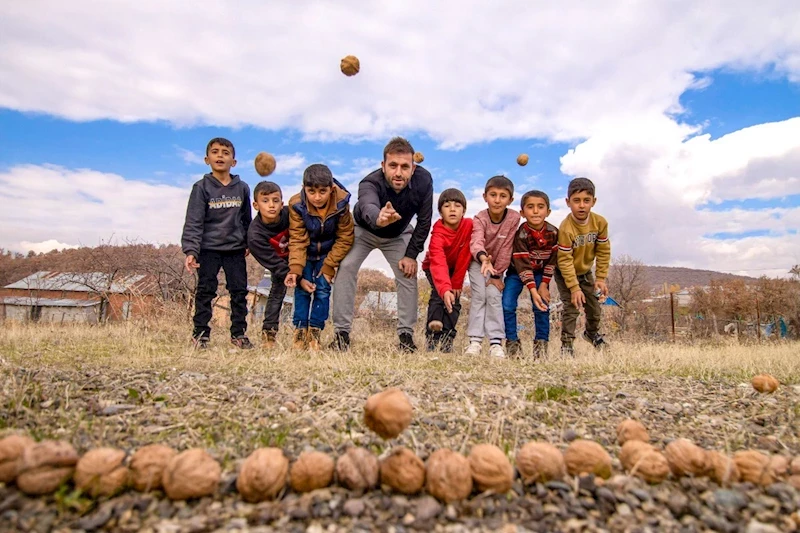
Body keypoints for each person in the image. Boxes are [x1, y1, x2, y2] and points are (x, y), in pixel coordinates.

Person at [330, 137, 433, 353]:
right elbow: (367, 203)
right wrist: (379, 217)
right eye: (393, 165)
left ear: (413, 168)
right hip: (364, 229)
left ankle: (406, 336)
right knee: (346, 266)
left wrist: (411, 254)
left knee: (407, 272)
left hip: (398, 234)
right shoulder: (369, 183)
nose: (398, 172)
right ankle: (341, 334)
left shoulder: (424, 181)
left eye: (405, 167)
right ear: (383, 165)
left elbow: (424, 221)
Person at [181, 137, 253, 350]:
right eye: (215, 152)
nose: (220, 155)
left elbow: (246, 219)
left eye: (225, 152)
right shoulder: (201, 188)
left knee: (239, 292)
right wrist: (191, 250)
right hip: (208, 249)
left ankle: (238, 335)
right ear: (207, 159)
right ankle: (200, 335)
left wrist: (248, 241)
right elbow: (193, 221)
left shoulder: (242, 188)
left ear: (234, 161)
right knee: (205, 291)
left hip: (235, 250)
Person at [285, 164, 355, 350]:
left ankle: (315, 331)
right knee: (302, 290)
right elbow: (298, 238)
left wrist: (329, 266)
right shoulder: (296, 205)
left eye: (322, 191)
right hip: (305, 253)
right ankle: (300, 332)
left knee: (323, 291)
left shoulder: (341, 204)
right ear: (303, 189)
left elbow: (345, 237)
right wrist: (295, 269)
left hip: (328, 253)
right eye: (311, 191)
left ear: (331, 189)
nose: (317, 197)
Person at [465, 176, 521, 358]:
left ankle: (496, 342)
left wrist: (497, 274)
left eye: (503, 196)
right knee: (480, 296)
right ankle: (475, 341)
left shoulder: (513, 218)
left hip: (497, 267)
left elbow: (507, 248)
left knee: (494, 297)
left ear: (510, 200)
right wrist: (483, 259)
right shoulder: (480, 218)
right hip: (478, 262)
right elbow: (476, 241)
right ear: (485, 196)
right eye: (493, 195)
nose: (497, 200)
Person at [555, 177, 611, 355]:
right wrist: (574, 288)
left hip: (586, 272)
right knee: (571, 308)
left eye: (586, 201)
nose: (581, 206)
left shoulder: (600, 223)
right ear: (568, 202)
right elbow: (564, 260)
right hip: (566, 274)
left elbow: (603, 251)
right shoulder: (566, 228)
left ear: (593, 202)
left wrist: (601, 278)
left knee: (594, 308)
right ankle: (567, 345)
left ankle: (591, 334)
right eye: (576, 201)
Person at [505, 190, 558, 359]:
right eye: (530, 207)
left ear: (548, 212)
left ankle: (541, 347)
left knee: (542, 306)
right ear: (522, 212)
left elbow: (552, 261)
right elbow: (523, 265)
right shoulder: (521, 234)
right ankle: (513, 344)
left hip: (541, 273)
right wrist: (532, 290)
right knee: (507, 304)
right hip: (517, 272)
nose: (535, 211)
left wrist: (543, 285)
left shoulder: (554, 233)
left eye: (540, 207)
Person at [420, 188, 473, 353]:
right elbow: (438, 262)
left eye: (457, 205)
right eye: (447, 205)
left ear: (463, 210)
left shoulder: (468, 226)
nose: (452, 209)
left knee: (455, 300)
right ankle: (433, 336)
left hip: (456, 269)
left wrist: (456, 283)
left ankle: (447, 339)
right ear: (440, 211)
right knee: (438, 294)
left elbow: (465, 255)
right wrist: (445, 288)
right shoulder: (437, 234)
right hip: (434, 267)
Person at [247, 180, 290, 348]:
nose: (271, 205)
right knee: (277, 291)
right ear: (256, 205)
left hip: (299, 257)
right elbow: (274, 264)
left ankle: (305, 333)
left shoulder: (290, 215)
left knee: (308, 292)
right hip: (278, 263)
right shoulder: (255, 234)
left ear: (282, 203)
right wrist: (291, 275)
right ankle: (269, 335)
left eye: (275, 200)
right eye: (265, 201)